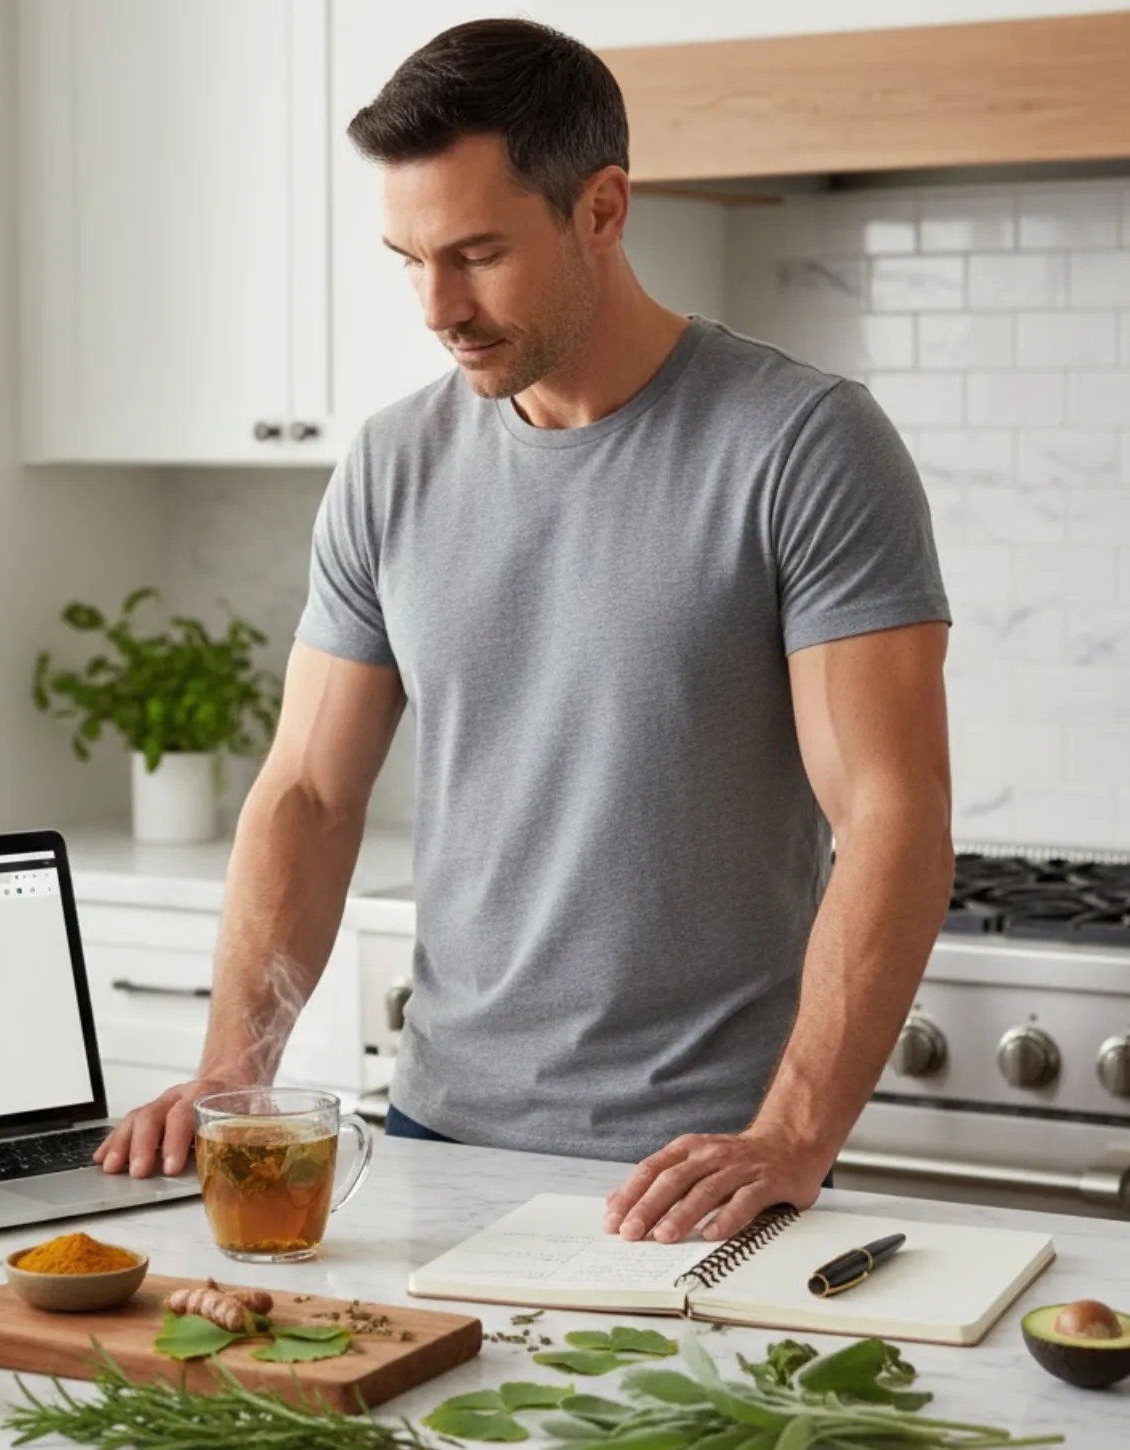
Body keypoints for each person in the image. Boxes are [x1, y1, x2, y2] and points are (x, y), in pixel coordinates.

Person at [94, 17, 953, 1247]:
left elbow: (893, 809)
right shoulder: (394, 465)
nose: (438, 306)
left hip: (703, 1167)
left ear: (601, 208)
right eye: (408, 258)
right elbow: (307, 797)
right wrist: (235, 1077)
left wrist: (793, 1135)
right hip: (439, 1141)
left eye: (479, 253)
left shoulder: (801, 444)